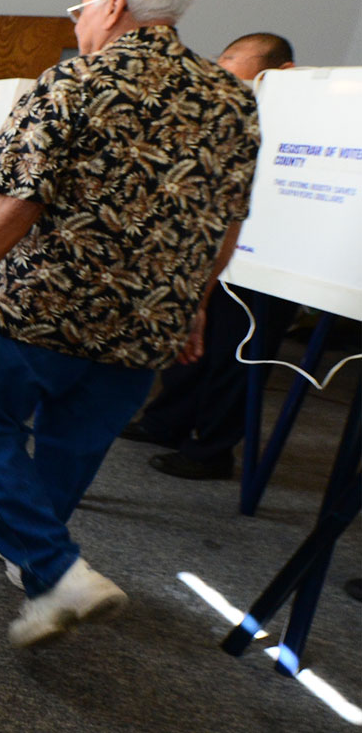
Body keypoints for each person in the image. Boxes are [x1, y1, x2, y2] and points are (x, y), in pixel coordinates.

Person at [0, 0, 260, 647]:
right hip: (148, 321)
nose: (78, 24)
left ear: (112, 8)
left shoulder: (75, 81)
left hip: (47, 308)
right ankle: (35, 556)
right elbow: (227, 222)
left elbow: (17, 202)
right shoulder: (230, 99)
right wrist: (193, 303)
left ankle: (53, 568)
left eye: (81, 10)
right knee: (76, 443)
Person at [121, 33, 299, 480]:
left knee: (237, 354)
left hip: (270, 256)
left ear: (281, 74)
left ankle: (212, 450)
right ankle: (166, 422)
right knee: (195, 341)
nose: (222, 71)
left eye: (234, 61)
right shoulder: (227, 113)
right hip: (215, 249)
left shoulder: (302, 117)